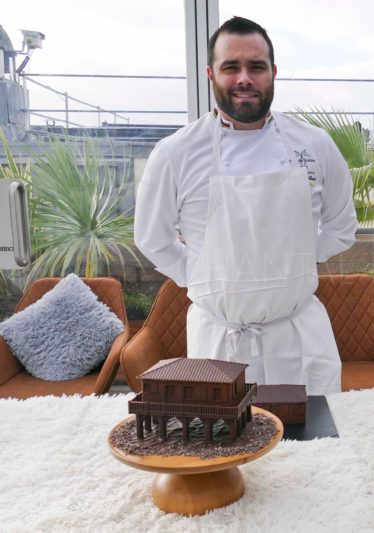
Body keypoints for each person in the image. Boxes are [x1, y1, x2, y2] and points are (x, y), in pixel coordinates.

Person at [134, 16, 357, 395]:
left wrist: (297, 262)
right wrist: (203, 274)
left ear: (273, 72)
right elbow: (152, 239)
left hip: (299, 335)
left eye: (256, 66)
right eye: (230, 67)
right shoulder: (175, 153)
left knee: (312, 448)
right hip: (221, 341)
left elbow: (341, 227)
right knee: (226, 447)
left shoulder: (314, 145)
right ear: (210, 74)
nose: (244, 78)